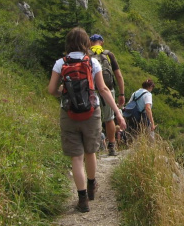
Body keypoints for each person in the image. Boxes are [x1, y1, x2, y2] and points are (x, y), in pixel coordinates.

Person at [48, 27, 126, 213]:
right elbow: (104, 90)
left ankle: (82, 199)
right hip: (92, 112)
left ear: (68, 43)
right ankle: (91, 186)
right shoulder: (92, 62)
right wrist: (118, 114)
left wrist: (63, 91)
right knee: (91, 152)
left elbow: (51, 90)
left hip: (68, 114)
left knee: (77, 157)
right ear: (86, 43)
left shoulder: (60, 63)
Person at [89, 34, 125, 156]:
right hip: (108, 90)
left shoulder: (86, 54)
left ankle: (95, 147)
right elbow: (118, 76)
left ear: (90, 42)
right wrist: (122, 93)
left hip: (92, 91)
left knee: (94, 118)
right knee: (109, 119)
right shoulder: (108, 54)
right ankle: (112, 147)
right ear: (102, 42)